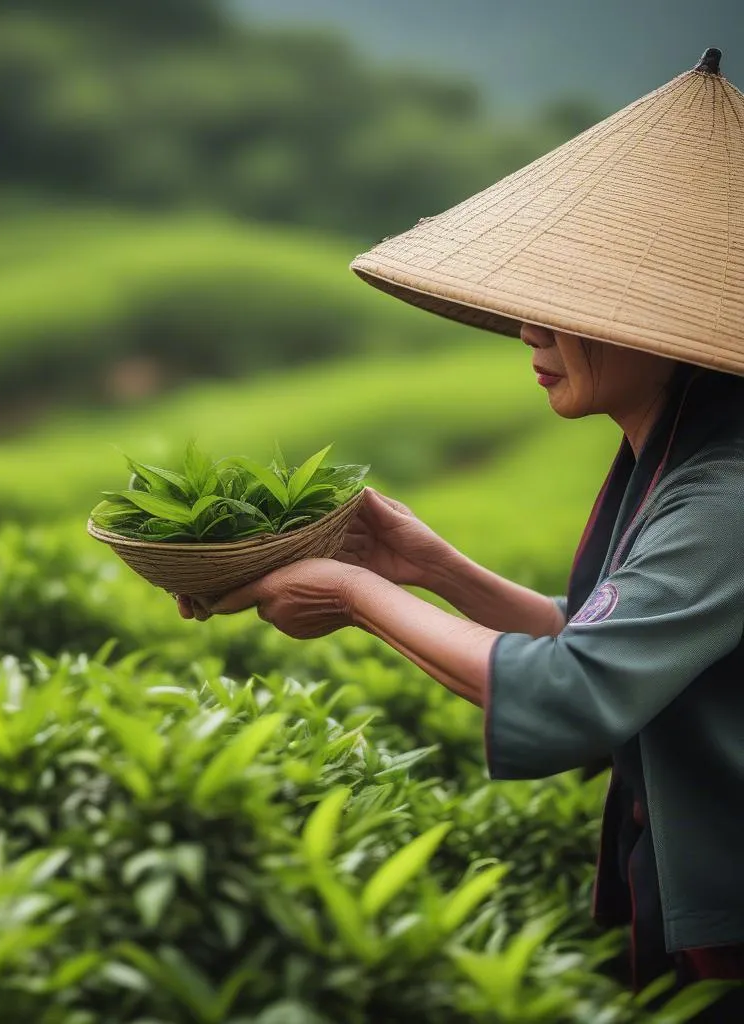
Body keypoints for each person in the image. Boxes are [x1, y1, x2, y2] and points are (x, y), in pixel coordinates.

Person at [175, 47, 744, 1018]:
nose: (527, 331)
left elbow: (573, 696)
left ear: (660, 326)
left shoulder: (723, 495)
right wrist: (423, 564)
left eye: (561, 309)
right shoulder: (675, 459)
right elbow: (599, 640)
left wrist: (357, 593)